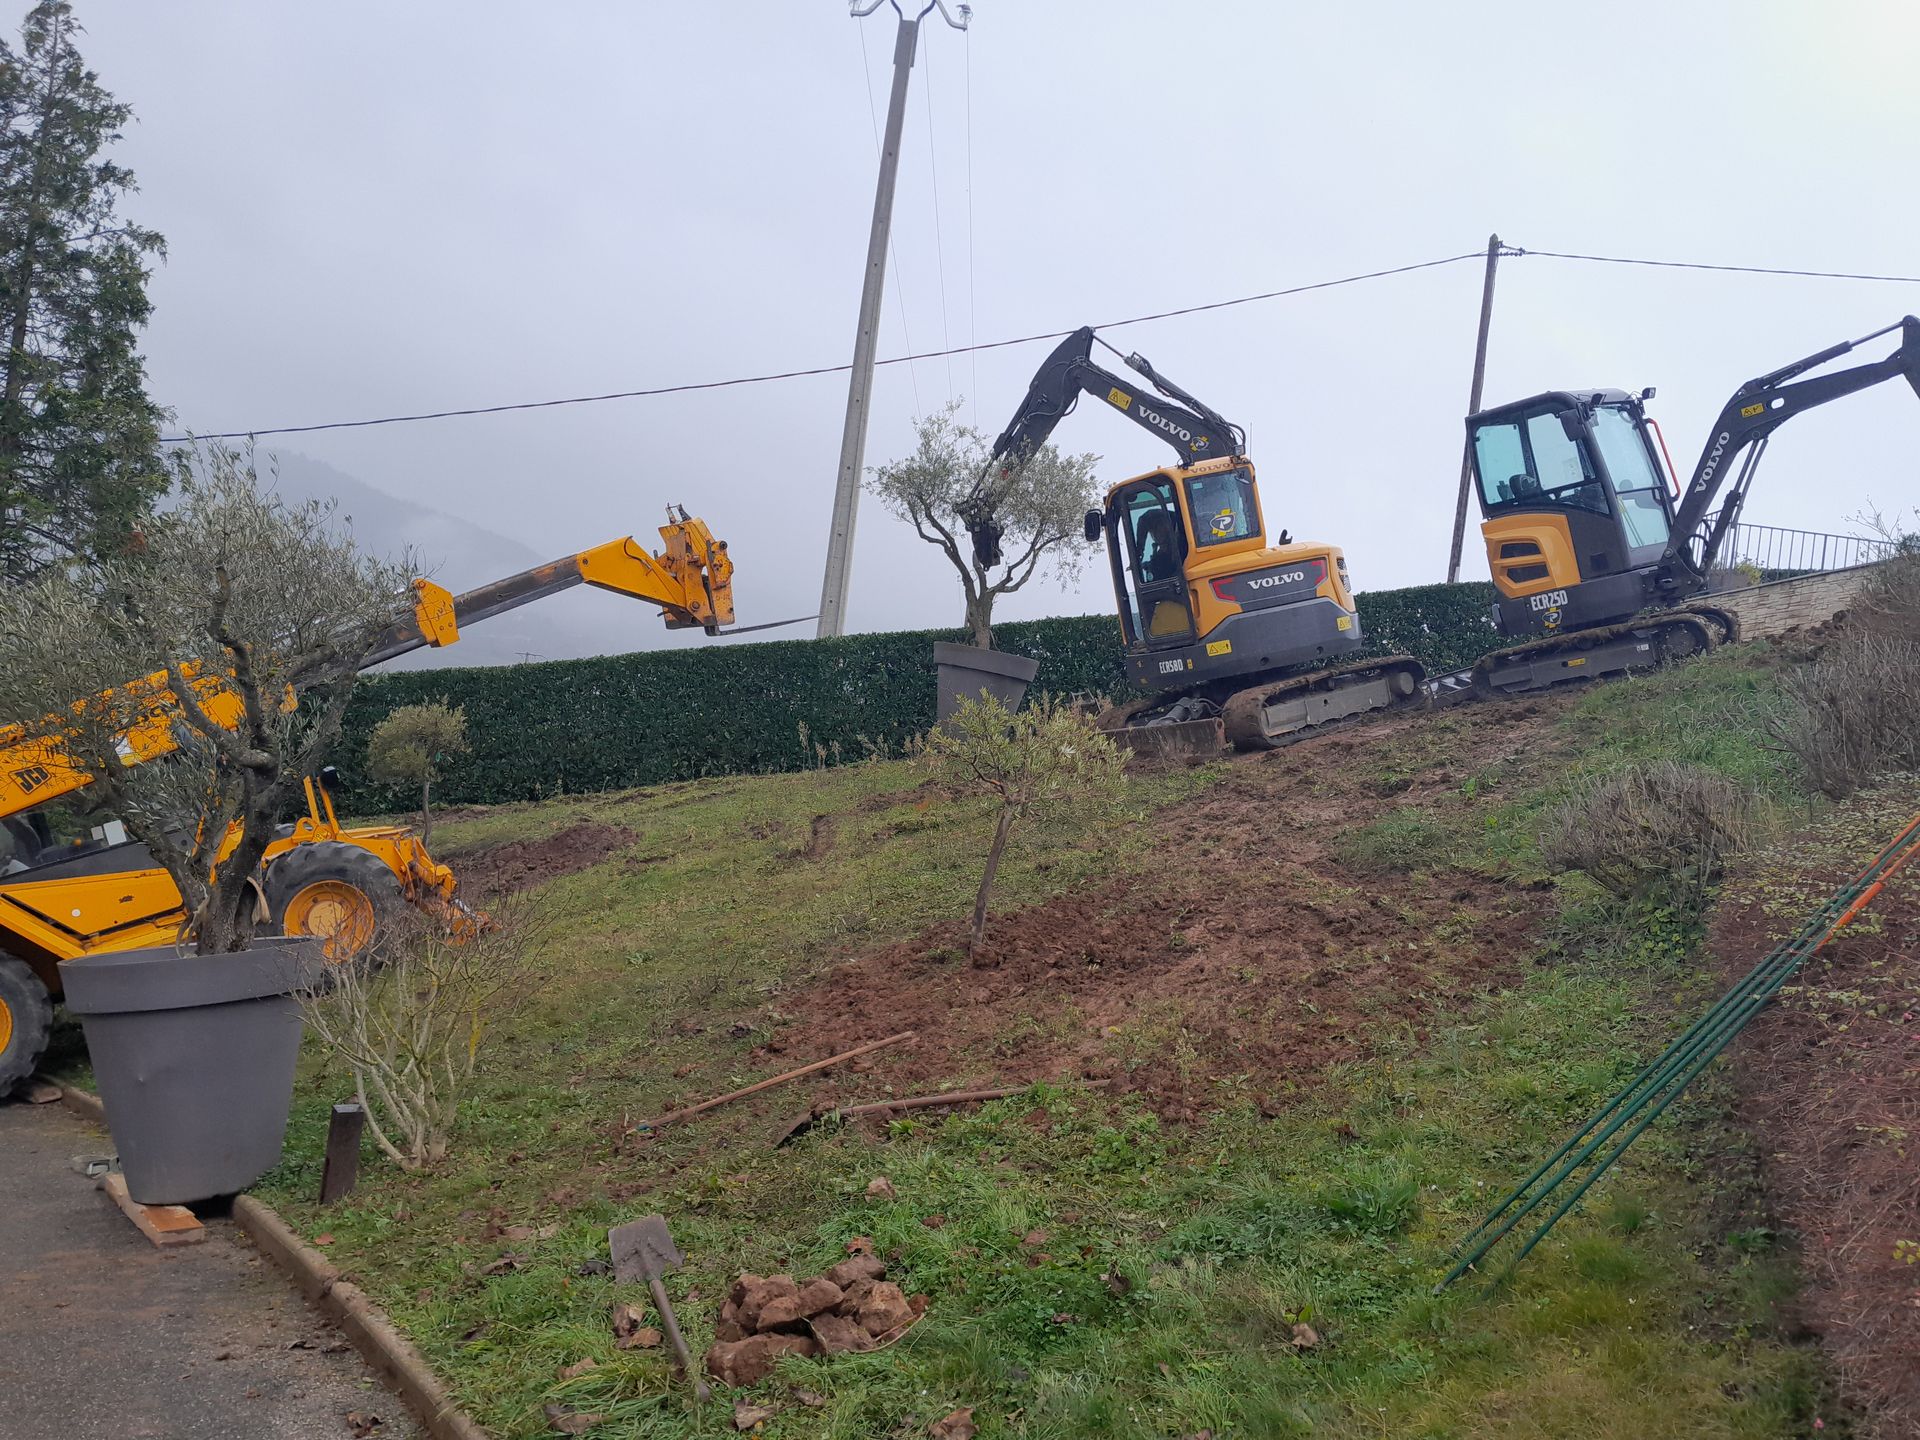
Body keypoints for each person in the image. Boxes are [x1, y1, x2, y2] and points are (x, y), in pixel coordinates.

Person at [1135, 508, 1179, 583]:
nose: (1153, 535)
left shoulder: (1178, 552)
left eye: (1155, 528)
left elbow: (1162, 570)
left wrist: (1147, 565)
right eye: (1151, 531)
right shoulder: (1165, 553)